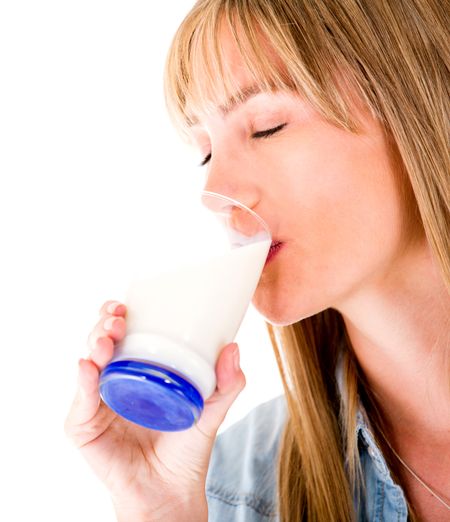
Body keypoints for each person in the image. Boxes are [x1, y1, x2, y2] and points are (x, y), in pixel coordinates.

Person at [64, 0, 450, 520]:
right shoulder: (224, 492)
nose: (215, 192)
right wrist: (160, 509)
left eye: (267, 126)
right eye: (204, 152)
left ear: (419, 106)